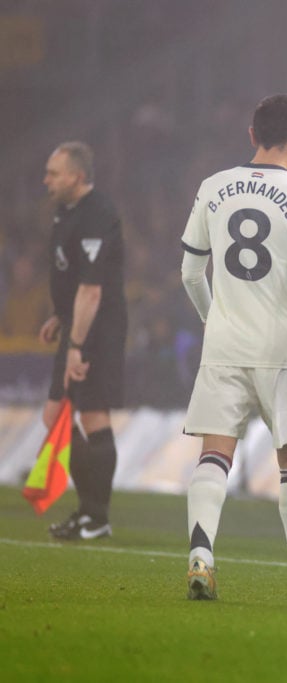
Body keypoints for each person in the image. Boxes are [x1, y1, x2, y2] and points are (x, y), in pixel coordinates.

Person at [179, 94, 287, 600]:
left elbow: (190, 272)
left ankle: (201, 558)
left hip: (224, 345)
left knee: (214, 455)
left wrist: (215, 320)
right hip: (285, 350)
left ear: (251, 135)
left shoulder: (213, 188)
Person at [40, 141, 127, 541]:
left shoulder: (99, 214)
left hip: (97, 329)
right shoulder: (66, 212)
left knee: (93, 416)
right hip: (76, 326)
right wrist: (61, 316)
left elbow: (92, 290)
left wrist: (76, 345)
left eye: (54, 173)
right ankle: (90, 513)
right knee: (55, 415)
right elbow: (73, 276)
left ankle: (97, 516)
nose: (47, 180)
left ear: (77, 176)